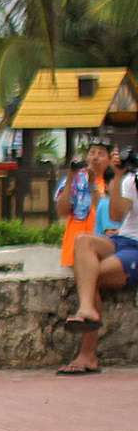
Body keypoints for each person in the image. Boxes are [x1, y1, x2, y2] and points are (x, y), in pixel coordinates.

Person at [60, 146, 135, 375]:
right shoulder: (131, 180)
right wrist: (119, 176)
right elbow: (117, 215)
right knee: (83, 241)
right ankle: (86, 309)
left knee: (89, 275)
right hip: (123, 239)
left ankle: (88, 354)